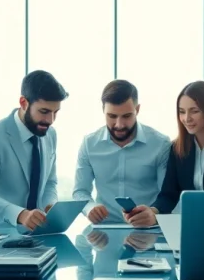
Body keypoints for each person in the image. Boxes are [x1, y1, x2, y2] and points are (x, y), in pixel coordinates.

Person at [125, 81, 204, 227]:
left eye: (194, 111)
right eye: (182, 111)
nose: (187, 118)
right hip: (192, 225)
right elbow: (169, 195)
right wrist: (152, 212)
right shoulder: (177, 148)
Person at [0, 70, 68, 230]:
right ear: (24, 103)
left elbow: (50, 183)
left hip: (39, 233)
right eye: (44, 112)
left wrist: (49, 205)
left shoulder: (50, 134)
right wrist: (21, 215)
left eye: (55, 112)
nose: (50, 120)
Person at [72, 80, 171, 225]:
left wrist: (154, 213)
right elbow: (80, 191)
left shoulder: (160, 144)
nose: (119, 125)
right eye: (112, 116)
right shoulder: (89, 144)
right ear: (103, 110)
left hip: (147, 229)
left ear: (137, 110)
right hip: (104, 231)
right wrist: (89, 208)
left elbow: (167, 195)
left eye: (126, 116)